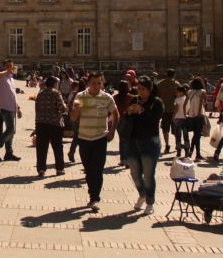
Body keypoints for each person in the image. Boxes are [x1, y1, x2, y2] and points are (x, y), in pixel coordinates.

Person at [70, 72, 119, 211]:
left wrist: (112, 130)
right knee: (88, 169)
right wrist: (76, 111)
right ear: (88, 84)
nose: (96, 86)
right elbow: (73, 118)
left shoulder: (107, 98)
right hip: (84, 138)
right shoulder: (80, 96)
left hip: (100, 138)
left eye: (99, 83)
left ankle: (94, 198)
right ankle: (92, 193)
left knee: (97, 170)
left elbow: (116, 114)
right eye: (93, 83)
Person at [125, 76, 163, 214]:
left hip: (150, 141)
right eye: (138, 89)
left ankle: (150, 201)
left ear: (150, 89)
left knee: (148, 174)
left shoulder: (156, 102)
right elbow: (126, 117)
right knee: (134, 172)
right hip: (134, 140)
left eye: (143, 89)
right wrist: (129, 112)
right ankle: (142, 193)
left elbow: (154, 119)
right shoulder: (134, 100)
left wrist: (141, 111)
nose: (140, 92)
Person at [0, 60, 22, 161]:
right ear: (4, 67)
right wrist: (7, 71)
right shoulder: (1, 77)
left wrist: (18, 108)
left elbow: (13, 95)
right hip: (5, 107)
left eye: (11, 66)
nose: (11, 68)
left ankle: (9, 153)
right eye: (8, 66)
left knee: (11, 131)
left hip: (12, 107)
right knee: (11, 130)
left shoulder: (11, 79)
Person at [34, 75, 67, 177]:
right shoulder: (56, 93)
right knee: (57, 147)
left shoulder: (40, 94)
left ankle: (41, 169)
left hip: (41, 124)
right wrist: (66, 107)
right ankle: (59, 169)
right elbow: (62, 108)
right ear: (54, 84)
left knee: (41, 148)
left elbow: (37, 109)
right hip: (54, 124)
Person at [156, 69, 179, 154]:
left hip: (164, 109)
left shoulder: (160, 84)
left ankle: (167, 145)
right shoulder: (176, 84)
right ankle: (177, 144)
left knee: (165, 128)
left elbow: (157, 95)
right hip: (174, 110)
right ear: (174, 75)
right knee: (176, 128)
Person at [184, 78, 207, 161]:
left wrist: (185, 113)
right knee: (197, 135)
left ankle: (196, 153)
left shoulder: (189, 92)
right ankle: (193, 152)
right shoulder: (202, 91)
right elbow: (201, 103)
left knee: (196, 135)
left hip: (191, 116)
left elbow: (185, 103)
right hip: (199, 115)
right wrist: (198, 114)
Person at [173, 85, 189, 157]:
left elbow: (176, 109)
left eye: (177, 92)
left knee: (178, 136)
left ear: (181, 92)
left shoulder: (177, 99)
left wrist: (173, 116)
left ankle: (179, 151)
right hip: (185, 119)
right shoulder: (187, 99)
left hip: (178, 118)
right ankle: (187, 151)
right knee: (186, 136)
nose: (176, 93)